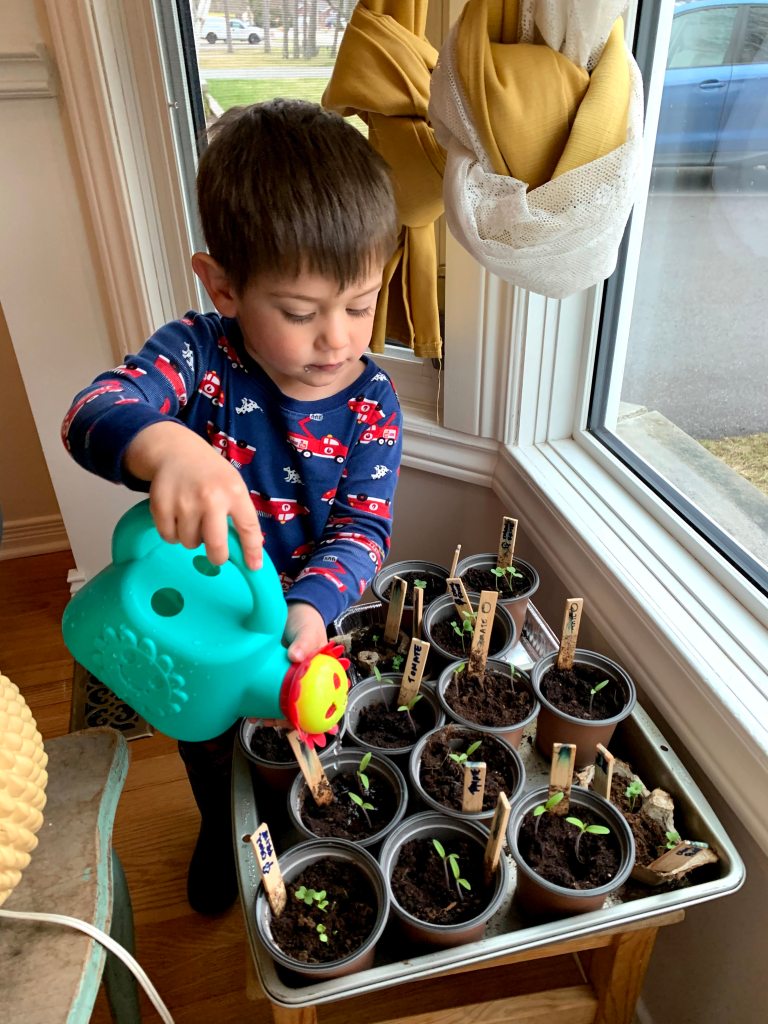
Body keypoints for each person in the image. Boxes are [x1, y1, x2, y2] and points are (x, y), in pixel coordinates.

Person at [61, 99, 402, 914]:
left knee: (307, 748)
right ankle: (221, 828)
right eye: (299, 312)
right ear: (221, 284)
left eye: (361, 303)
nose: (339, 340)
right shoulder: (198, 355)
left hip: (310, 632)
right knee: (210, 747)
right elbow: (92, 411)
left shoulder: (373, 401)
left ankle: (292, 837)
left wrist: (315, 606)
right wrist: (168, 446)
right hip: (203, 626)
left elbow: (364, 527)